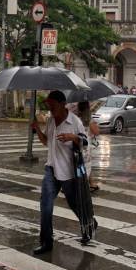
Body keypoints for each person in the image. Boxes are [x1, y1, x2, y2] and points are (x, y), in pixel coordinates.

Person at [31, 90, 95, 255]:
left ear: (61, 104)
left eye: (52, 105)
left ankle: (89, 223)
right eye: (49, 106)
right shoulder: (51, 120)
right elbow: (47, 142)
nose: (50, 109)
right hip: (51, 170)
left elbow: (85, 142)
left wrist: (73, 137)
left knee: (75, 205)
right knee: (45, 206)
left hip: (69, 172)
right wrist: (37, 129)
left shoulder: (74, 121)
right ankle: (46, 242)